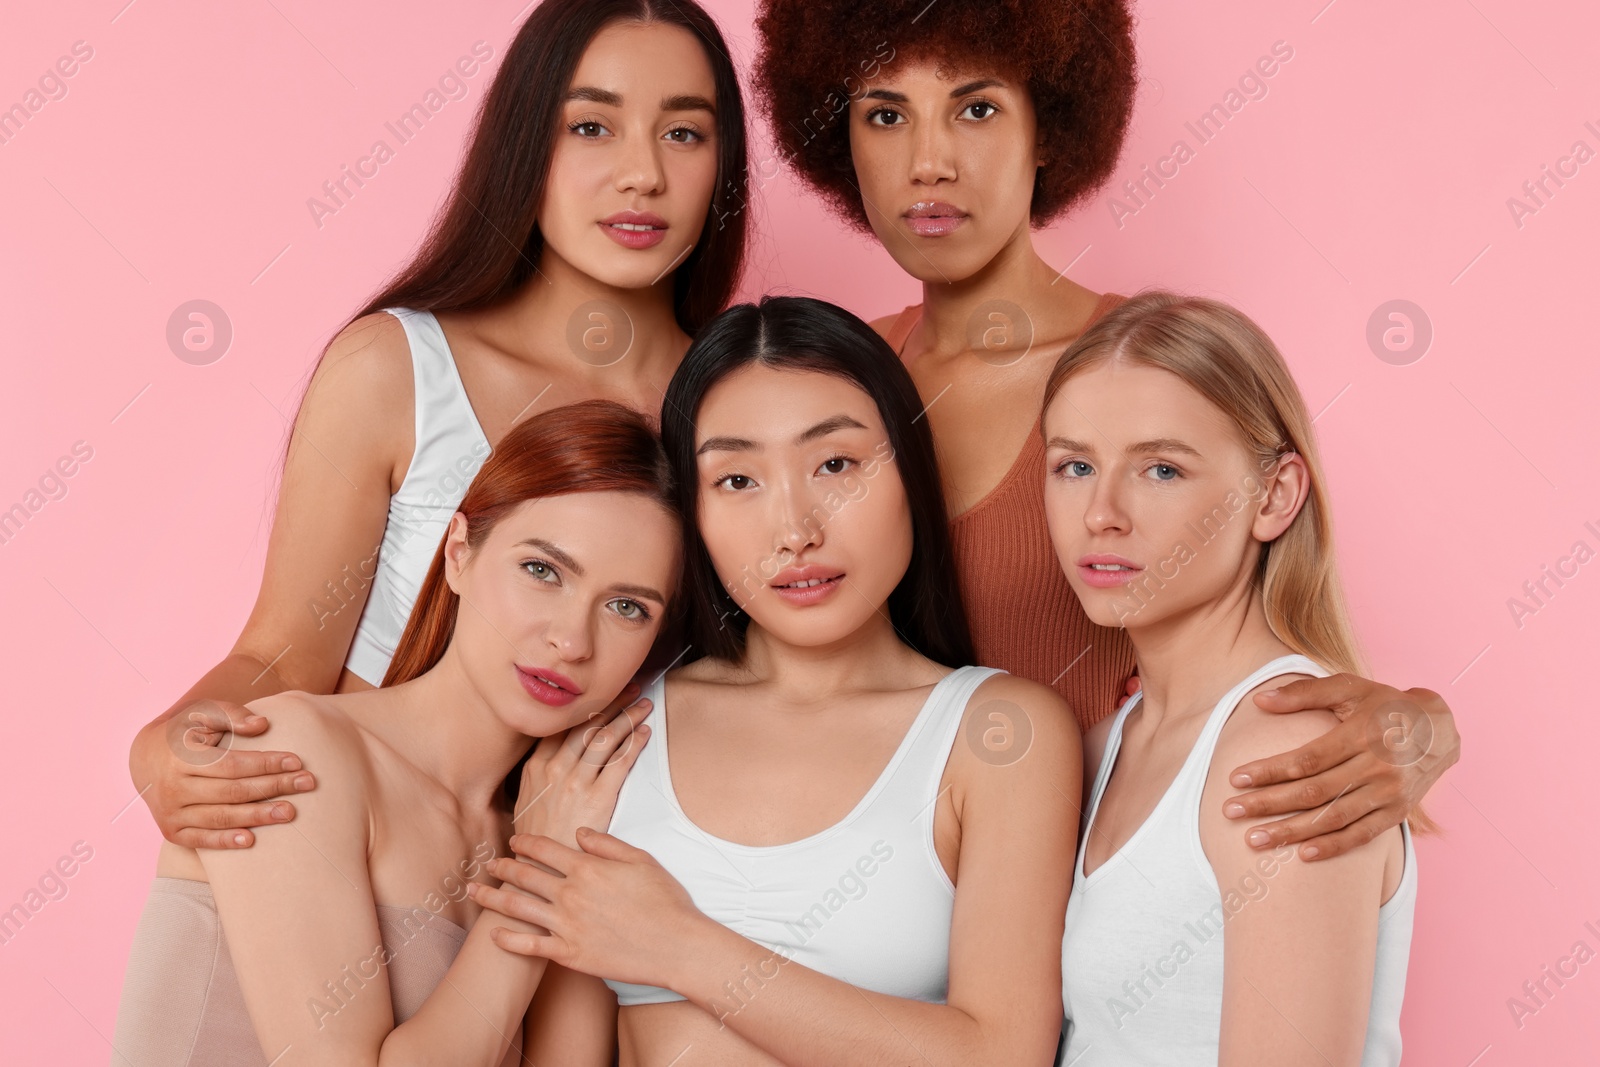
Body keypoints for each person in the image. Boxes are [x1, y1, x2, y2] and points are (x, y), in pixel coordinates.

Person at [751, 0, 1457, 861]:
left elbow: (1276, 615)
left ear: (1048, 128)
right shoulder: (834, 381)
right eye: (885, 114)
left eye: (977, 109)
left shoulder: (1145, 371)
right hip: (880, 906)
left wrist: (1421, 722)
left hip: (1095, 911)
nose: (928, 162)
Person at [125, 0, 749, 851]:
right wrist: (167, 744)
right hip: (376, 878)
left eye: (684, 134)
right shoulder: (396, 368)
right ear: (527, 138)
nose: (642, 173)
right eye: (592, 126)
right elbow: (285, 651)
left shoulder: (746, 407)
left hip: (613, 912)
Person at [475, 296, 1080, 1066]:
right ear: (691, 512)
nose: (795, 530)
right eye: (736, 480)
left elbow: (1001, 1054)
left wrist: (681, 946)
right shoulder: (615, 734)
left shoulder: (999, 734)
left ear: (910, 471)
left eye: (835, 464)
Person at [110, 402, 683, 1066]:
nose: (571, 640)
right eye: (542, 570)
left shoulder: (550, 828)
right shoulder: (300, 752)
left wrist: (558, 855)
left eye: (626, 607)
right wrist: (538, 874)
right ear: (460, 552)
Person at [1043, 293, 1417, 1064]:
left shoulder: (1289, 750)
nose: (1101, 512)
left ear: (1274, 495)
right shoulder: (1104, 744)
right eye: (1075, 465)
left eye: (1162, 468)